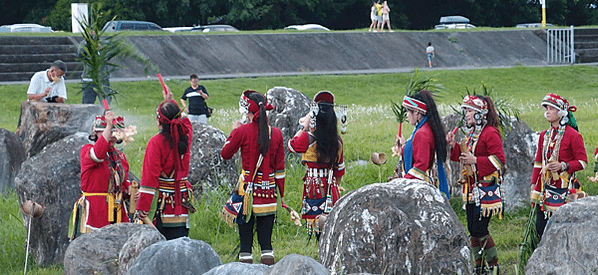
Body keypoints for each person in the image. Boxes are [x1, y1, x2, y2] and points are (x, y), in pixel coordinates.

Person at [221, 90, 286, 265]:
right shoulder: (277, 134)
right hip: (269, 193)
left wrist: (234, 131)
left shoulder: (242, 131)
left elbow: (226, 153)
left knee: (245, 243)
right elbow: (280, 169)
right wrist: (281, 194)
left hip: (247, 193)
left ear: (247, 111)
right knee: (266, 243)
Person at [446, 95, 505, 275]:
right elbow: (463, 157)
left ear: (480, 114)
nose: (467, 114)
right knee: (472, 229)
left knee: (480, 229)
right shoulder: (472, 134)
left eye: (470, 111)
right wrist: (453, 145)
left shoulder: (490, 133)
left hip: (485, 190)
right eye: (466, 110)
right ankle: (479, 267)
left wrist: (476, 160)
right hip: (471, 190)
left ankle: (494, 267)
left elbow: (499, 160)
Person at [137, 90, 194, 240]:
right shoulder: (186, 137)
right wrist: (172, 102)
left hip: (164, 207)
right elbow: (186, 122)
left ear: (159, 121)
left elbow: (150, 177)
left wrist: (143, 207)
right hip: (182, 205)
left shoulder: (156, 143)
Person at [288, 91, 345, 239]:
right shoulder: (337, 141)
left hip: (314, 187)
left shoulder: (308, 138)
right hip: (331, 187)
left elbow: (292, 145)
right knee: (330, 226)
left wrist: (304, 127)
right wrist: (336, 187)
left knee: (318, 227)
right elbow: (339, 170)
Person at [530, 93, 587, 240]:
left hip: (565, 190)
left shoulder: (573, 136)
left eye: (551, 108)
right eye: (546, 108)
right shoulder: (545, 135)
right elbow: (538, 162)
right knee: (541, 228)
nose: (547, 111)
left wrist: (564, 165)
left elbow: (583, 162)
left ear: (560, 112)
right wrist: (534, 188)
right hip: (545, 190)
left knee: (562, 230)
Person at [69, 111, 131, 239]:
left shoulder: (119, 155)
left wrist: (129, 190)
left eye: (115, 133)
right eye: (108, 132)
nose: (112, 136)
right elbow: (98, 154)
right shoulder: (87, 150)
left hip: (116, 211)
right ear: (97, 133)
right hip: (95, 211)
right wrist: (109, 126)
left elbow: (122, 182)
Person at [396, 90, 449, 197]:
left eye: (408, 111)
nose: (407, 115)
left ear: (416, 112)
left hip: (420, 186)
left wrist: (402, 183)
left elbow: (421, 165)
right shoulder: (425, 129)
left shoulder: (422, 133)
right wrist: (405, 145)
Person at [78, 39, 111, 104]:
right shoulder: (84, 44)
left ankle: (106, 112)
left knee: (106, 102)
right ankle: (88, 114)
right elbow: (79, 55)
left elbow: (110, 51)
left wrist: (100, 47)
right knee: (87, 104)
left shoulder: (103, 42)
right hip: (89, 80)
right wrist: (87, 45)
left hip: (102, 80)